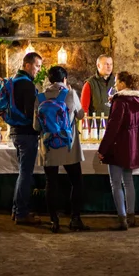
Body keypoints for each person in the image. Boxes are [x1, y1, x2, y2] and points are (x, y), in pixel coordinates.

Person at [33, 66, 90, 233]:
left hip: (48, 145)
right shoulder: (70, 94)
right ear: (65, 79)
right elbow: (80, 115)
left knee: (51, 183)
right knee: (76, 182)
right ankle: (75, 219)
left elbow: (36, 125)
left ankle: (54, 221)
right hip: (68, 145)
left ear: (49, 80)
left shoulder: (40, 97)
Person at [97, 71, 139, 230]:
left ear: (123, 83)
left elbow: (113, 127)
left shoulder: (120, 101)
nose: (115, 85)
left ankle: (122, 219)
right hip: (132, 142)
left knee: (115, 182)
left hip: (118, 144)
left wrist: (102, 149)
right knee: (128, 181)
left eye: (117, 82)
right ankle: (131, 216)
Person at [9, 52, 43, 225]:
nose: (38, 70)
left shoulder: (14, 81)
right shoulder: (27, 84)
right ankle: (22, 213)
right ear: (28, 65)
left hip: (15, 131)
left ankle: (16, 211)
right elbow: (32, 112)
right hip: (26, 133)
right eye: (37, 66)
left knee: (22, 172)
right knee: (25, 174)